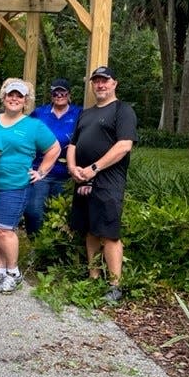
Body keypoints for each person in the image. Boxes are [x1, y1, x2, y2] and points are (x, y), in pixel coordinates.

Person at [0, 78, 60, 294]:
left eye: (19, 96)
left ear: (26, 100)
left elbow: (54, 148)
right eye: (11, 94)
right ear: (4, 97)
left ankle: (13, 272)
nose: (14, 99)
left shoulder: (33, 126)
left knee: (4, 229)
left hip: (14, 184)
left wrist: (41, 171)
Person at [67, 66, 137, 302]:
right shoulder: (85, 114)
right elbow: (73, 145)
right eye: (96, 81)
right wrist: (73, 168)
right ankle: (93, 278)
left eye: (105, 81)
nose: (100, 85)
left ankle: (115, 286)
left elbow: (124, 146)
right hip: (82, 178)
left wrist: (94, 168)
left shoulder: (122, 110)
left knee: (109, 232)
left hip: (108, 181)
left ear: (114, 83)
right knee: (90, 229)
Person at [24, 78, 82, 235]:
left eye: (63, 92)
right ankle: (36, 245)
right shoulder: (39, 113)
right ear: (51, 94)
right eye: (55, 92)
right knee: (33, 211)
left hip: (66, 172)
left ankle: (54, 250)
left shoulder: (79, 113)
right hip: (40, 170)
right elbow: (26, 134)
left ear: (69, 94)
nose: (59, 95)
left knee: (59, 213)